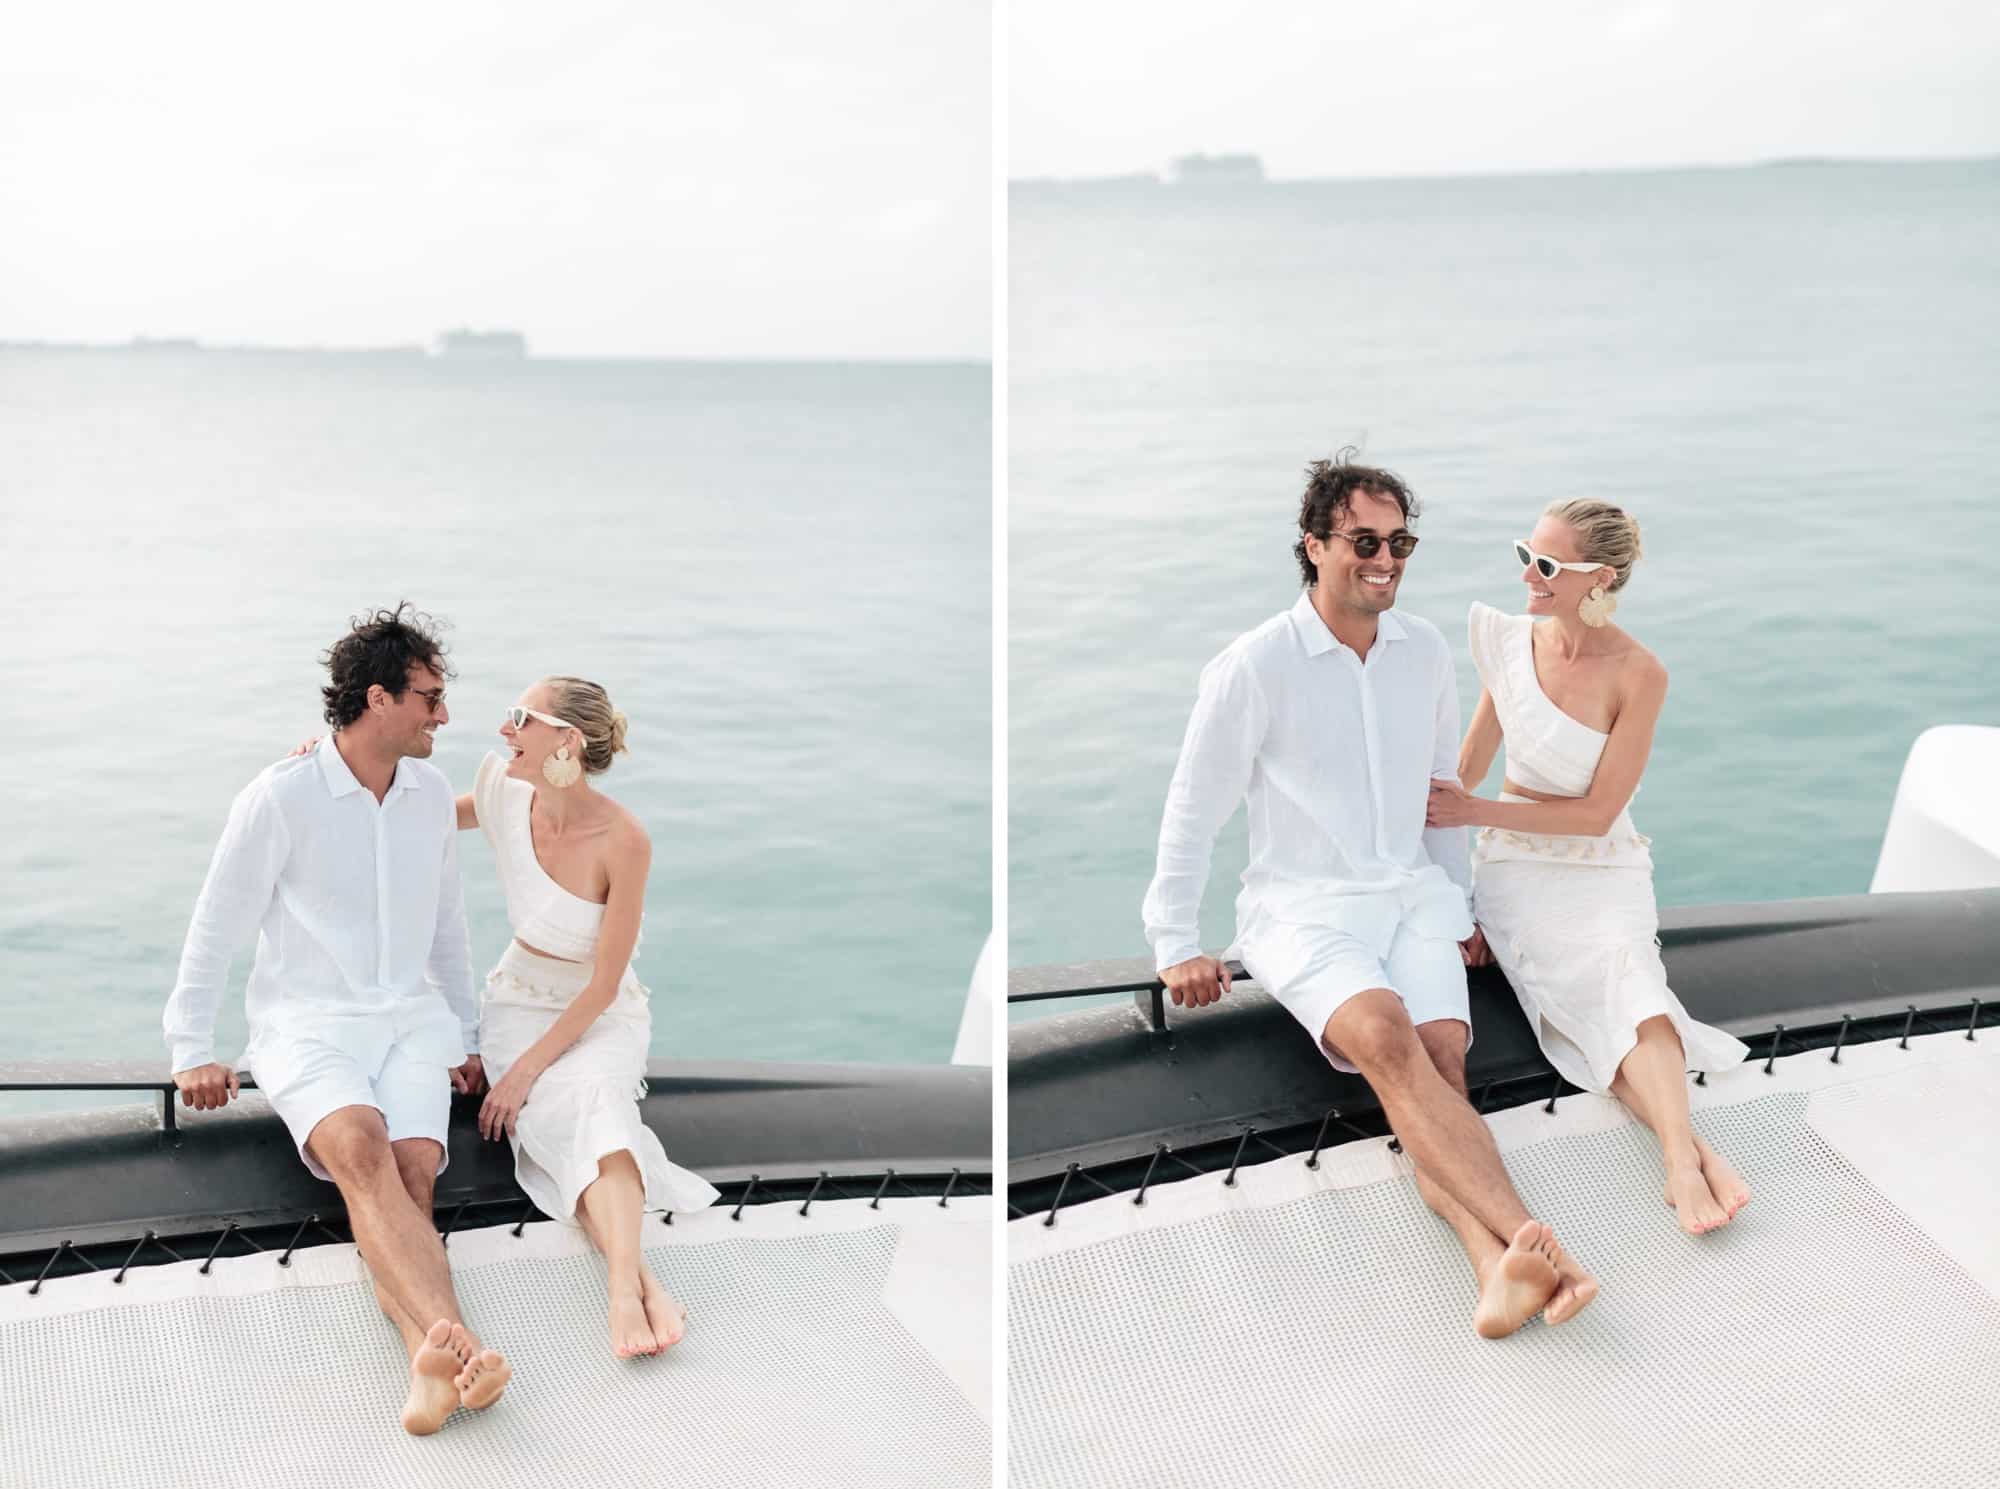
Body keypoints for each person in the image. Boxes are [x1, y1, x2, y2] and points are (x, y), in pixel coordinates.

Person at [1142, 453, 1598, 1339]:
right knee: (1389, 1043)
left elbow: (1439, 794)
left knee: (1443, 1065)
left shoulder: (1423, 651)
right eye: (1363, 540)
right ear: (1314, 546)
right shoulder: (1253, 666)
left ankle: (1492, 1268)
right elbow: (1190, 813)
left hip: (1410, 898)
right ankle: (1545, 1247)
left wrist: (1460, 907)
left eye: (1399, 541)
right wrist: (1174, 942)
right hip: (1301, 910)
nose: (1384, 558)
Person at [164, 604, 510, 1436]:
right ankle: (465, 1349)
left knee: (416, 1171)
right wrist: (191, 1047)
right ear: (379, 699)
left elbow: (448, 927)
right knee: (359, 1148)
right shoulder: (279, 797)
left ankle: (428, 1369)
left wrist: (464, 1033)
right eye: (429, 696)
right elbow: (218, 922)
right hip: (307, 1024)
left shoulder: (428, 796)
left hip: (410, 1022)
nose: (444, 714)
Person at [1426, 502, 1751, 1234]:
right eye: (1525, 553)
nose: (1527, 574)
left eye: (1546, 564)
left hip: (1600, 859)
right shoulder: (1509, 643)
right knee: (1585, 1005)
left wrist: (1476, 812)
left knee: (1626, 971)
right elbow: (1466, 772)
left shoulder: (1641, 674)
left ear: (1598, 578)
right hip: (1514, 866)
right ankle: (1691, 1152)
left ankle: (1678, 1166)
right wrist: (1448, 898)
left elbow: (1597, 814)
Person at [462, 676, 719, 1358]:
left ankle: (617, 1294)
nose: (504, 729)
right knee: (563, 1117)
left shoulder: (624, 840)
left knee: (597, 1099)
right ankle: (641, 1280)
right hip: (519, 1000)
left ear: (566, 740)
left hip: (598, 1010)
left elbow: (605, 985)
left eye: (521, 717)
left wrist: (519, 1075)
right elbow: (403, 809)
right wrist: (322, 761)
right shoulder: (505, 797)